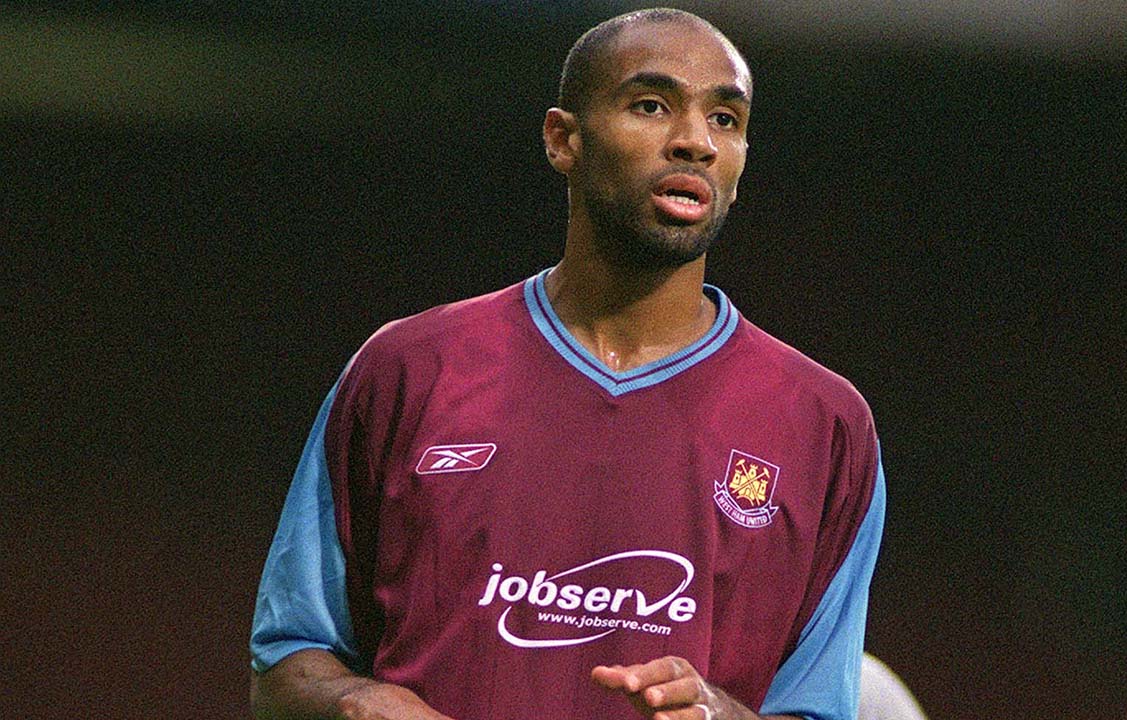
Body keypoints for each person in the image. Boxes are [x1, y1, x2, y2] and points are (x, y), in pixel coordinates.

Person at [249, 8, 886, 720]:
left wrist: (723, 714)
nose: (695, 142)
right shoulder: (406, 371)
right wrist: (357, 703)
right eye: (652, 106)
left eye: (725, 120)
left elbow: (824, 705)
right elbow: (282, 667)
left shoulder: (824, 425)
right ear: (563, 140)